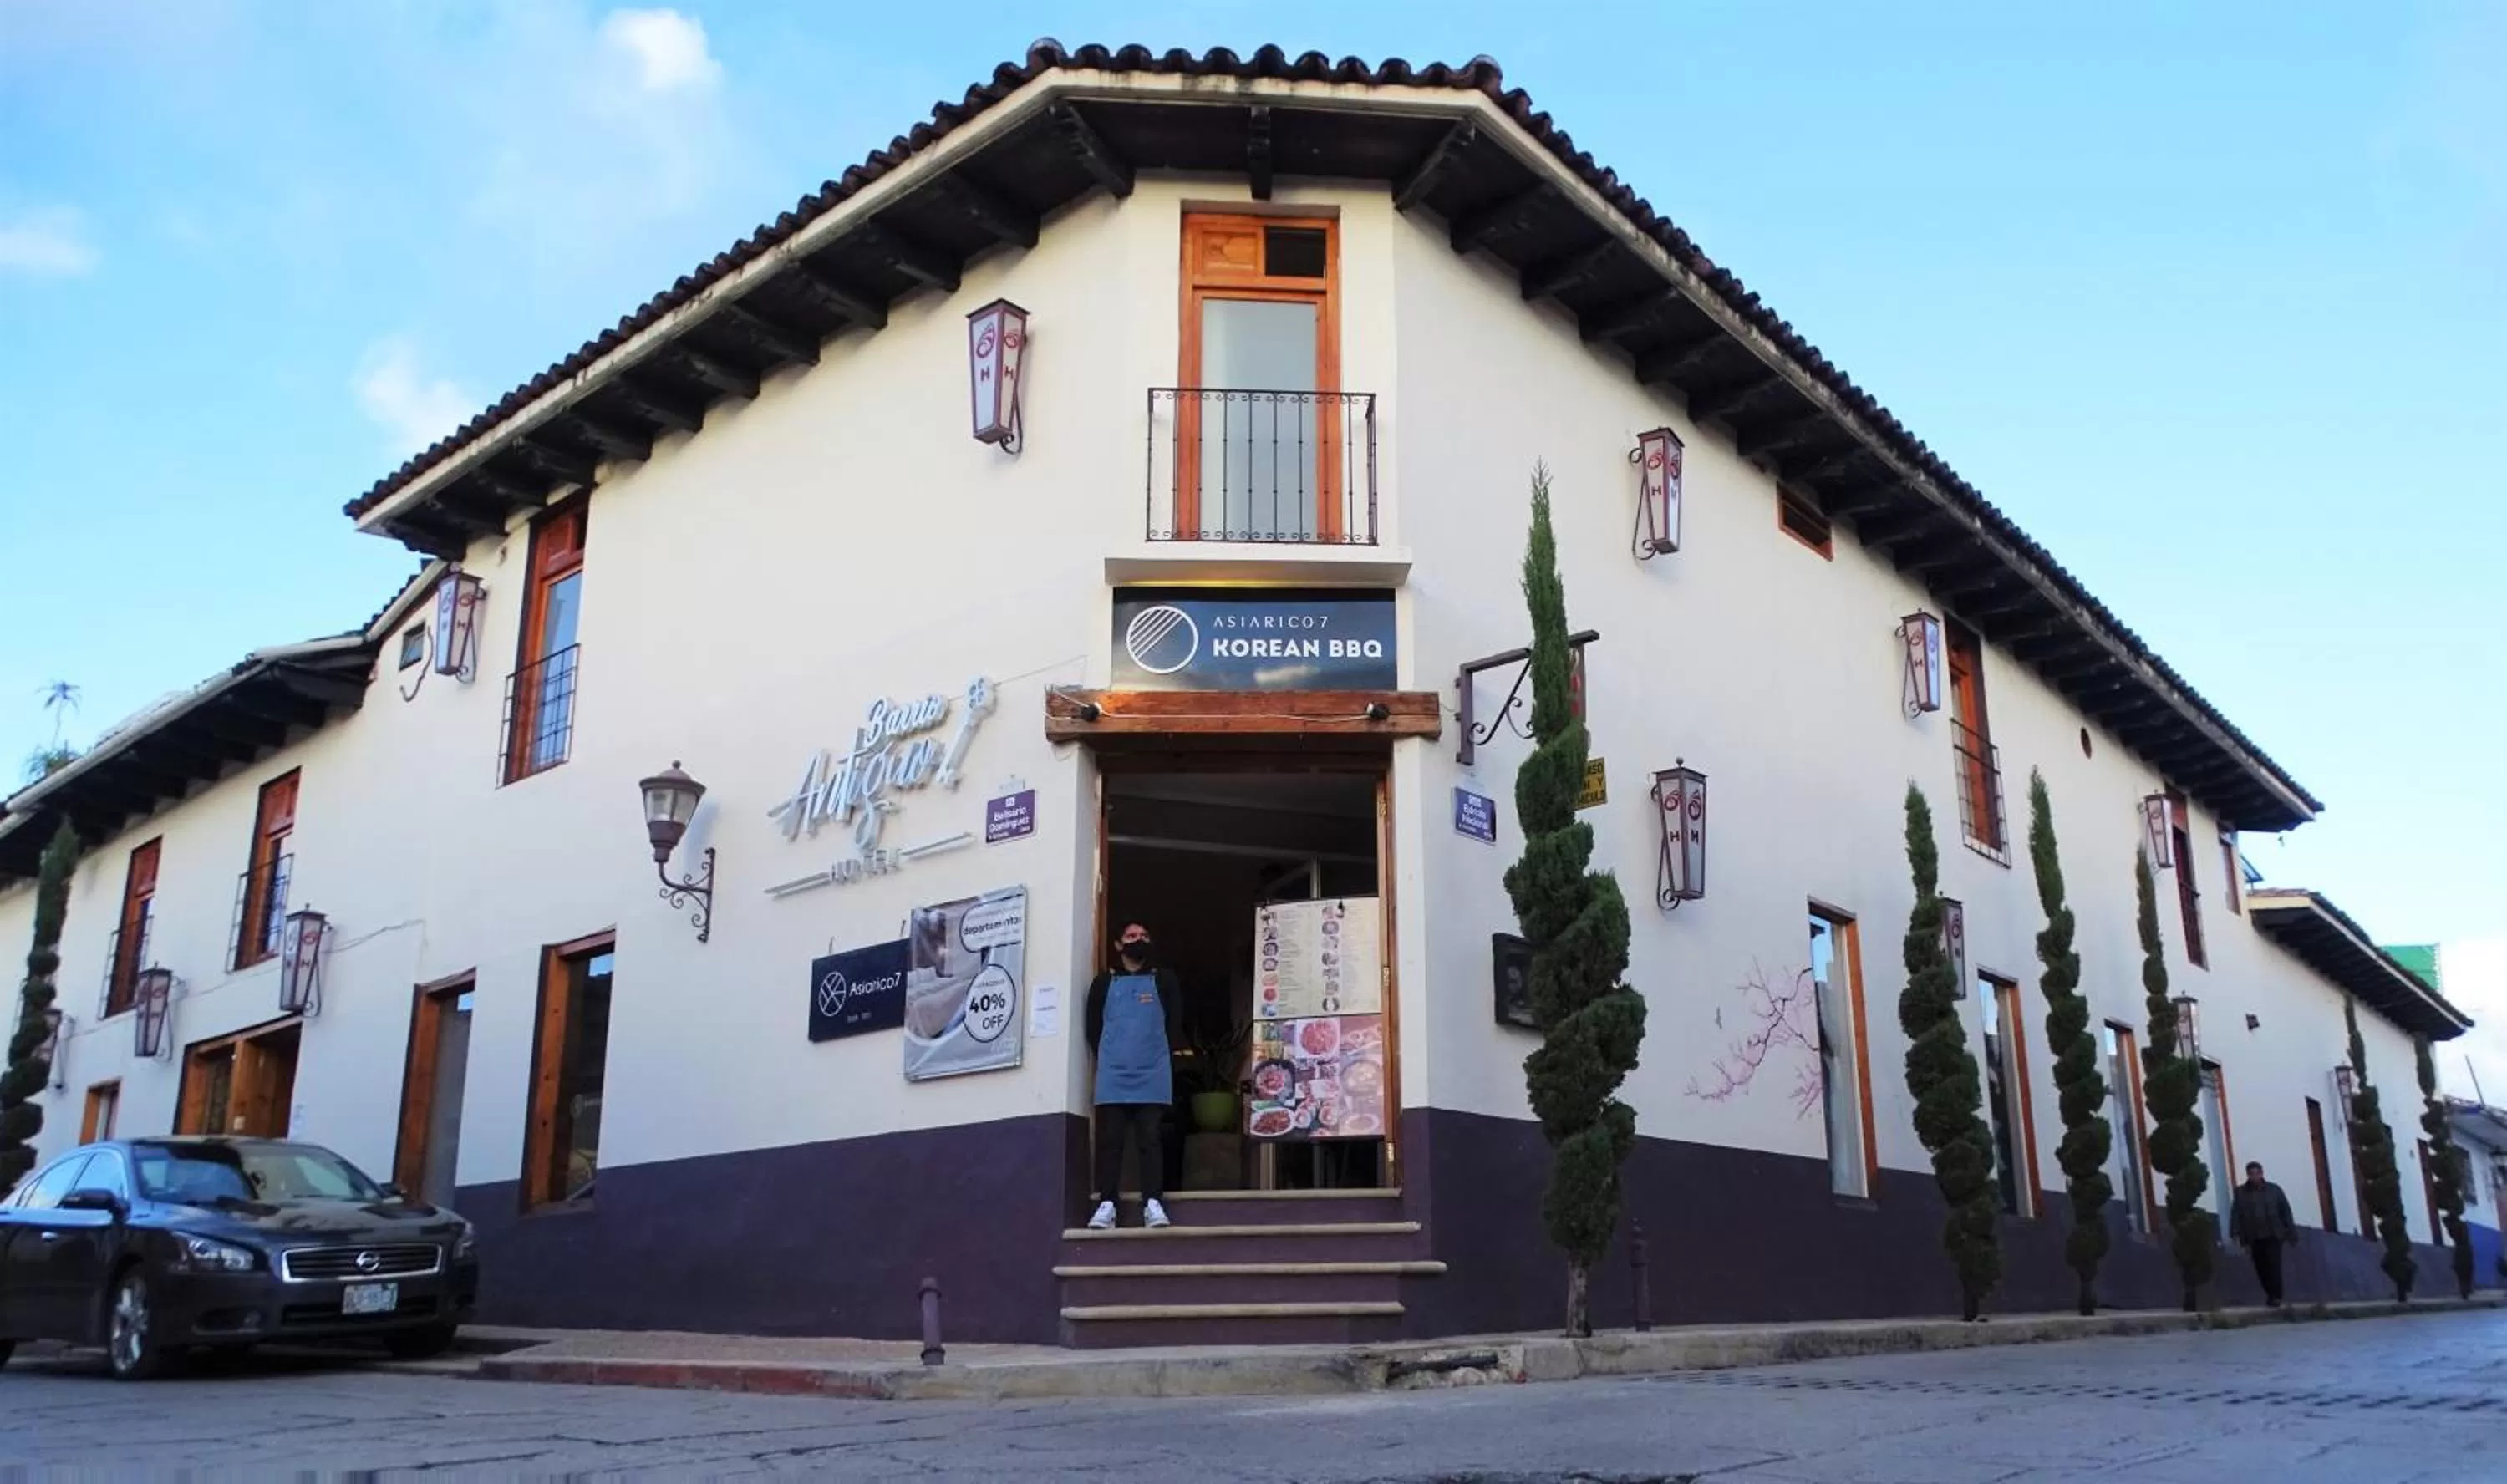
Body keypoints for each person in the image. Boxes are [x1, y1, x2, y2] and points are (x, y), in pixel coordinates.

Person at [1084, 922, 1183, 1230]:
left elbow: (1174, 1024)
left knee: (1150, 1140)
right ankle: (1107, 1204)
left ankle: (1153, 1204)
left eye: (1143, 936)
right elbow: (1092, 1028)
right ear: (1118, 945)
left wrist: (1154, 1053)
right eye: (1131, 936)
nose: (1138, 940)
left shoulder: (1165, 980)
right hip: (1113, 1073)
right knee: (1111, 1141)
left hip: (1153, 1072)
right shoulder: (1103, 983)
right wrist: (1114, 1055)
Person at [2229, 1160, 2297, 1308]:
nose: (2254, 1177)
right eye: (2251, 1174)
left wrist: (2291, 1232)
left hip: (2273, 1234)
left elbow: (2285, 1211)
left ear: (2261, 1173)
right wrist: (2235, 1232)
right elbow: (2236, 1213)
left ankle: (2276, 1296)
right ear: (2248, 1175)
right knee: (2261, 1267)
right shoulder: (2241, 1192)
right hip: (2254, 1236)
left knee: (2274, 1265)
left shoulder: (2274, 1190)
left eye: (2257, 1173)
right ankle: (2270, 1293)